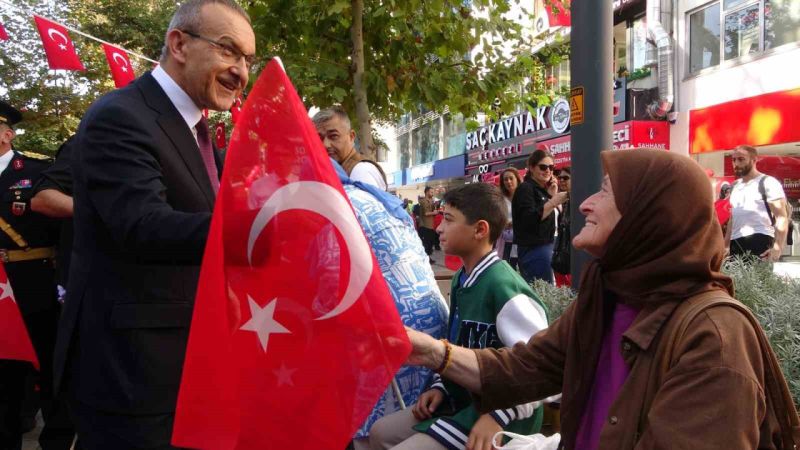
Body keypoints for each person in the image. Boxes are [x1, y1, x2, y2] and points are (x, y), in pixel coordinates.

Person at [402, 149, 800, 449]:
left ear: (649, 216)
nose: (586, 203)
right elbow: (526, 367)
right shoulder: (607, 295)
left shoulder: (714, 336)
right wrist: (431, 352)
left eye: (606, 192)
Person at [52, 1, 255, 449]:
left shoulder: (200, 132)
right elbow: (143, 225)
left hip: (189, 366)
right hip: (133, 374)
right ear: (179, 43)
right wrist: (257, 229)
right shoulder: (121, 116)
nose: (240, 71)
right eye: (228, 51)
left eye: (247, 60)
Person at [369, 183, 549, 450]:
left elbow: (542, 369)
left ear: (480, 230)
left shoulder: (503, 287)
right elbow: (459, 345)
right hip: (464, 402)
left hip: (504, 417)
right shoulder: (462, 279)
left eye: (449, 220)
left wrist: (498, 416)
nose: (439, 227)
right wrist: (441, 387)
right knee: (380, 432)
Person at [329, 162, 449, 450]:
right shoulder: (379, 200)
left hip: (391, 326)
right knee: (413, 414)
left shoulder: (335, 205)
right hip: (426, 318)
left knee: (376, 425)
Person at [0, 100, 66, 450]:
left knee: (44, 361)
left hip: (31, 281)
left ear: (7, 134)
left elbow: (60, 230)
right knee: (4, 363)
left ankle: (54, 438)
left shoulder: (38, 172)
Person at [725, 145, 789, 262]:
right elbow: (733, 218)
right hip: (736, 242)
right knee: (734, 280)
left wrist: (778, 247)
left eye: (741, 159)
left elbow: (781, 217)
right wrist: (725, 245)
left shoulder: (768, 183)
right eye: (734, 159)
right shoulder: (735, 186)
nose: (736, 163)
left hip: (760, 238)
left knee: (758, 279)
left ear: (754, 160)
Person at [512, 150, 567, 284]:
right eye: (543, 167)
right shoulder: (526, 189)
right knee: (542, 294)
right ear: (531, 167)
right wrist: (553, 201)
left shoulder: (542, 190)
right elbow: (529, 219)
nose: (548, 171)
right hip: (534, 249)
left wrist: (551, 196)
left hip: (549, 246)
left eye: (551, 167)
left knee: (549, 291)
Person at [313, 107, 387, 190]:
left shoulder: (360, 171)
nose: (325, 145)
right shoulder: (337, 171)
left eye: (333, 136)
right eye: (319, 138)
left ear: (351, 136)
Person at [496, 167, 521, 269]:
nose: (508, 182)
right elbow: (495, 216)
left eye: (511, 178)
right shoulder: (500, 198)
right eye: (505, 179)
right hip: (505, 240)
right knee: (507, 266)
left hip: (521, 240)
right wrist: (503, 222)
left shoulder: (524, 196)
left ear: (517, 179)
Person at [552, 168, 571, 287]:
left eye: (565, 178)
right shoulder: (561, 199)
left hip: (572, 251)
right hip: (562, 251)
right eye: (560, 178)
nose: (562, 180)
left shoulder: (578, 199)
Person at [418, 186, 438, 263]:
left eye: (433, 192)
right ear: (426, 192)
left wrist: (435, 207)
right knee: (426, 243)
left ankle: (428, 258)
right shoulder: (424, 201)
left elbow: (432, 211)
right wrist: (434, 212)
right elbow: (426, 213)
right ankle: (426, 259)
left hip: (430, 225)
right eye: (431, 192)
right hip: (425, 225)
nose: (432, 194)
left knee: (430, 243)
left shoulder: (430, 201)